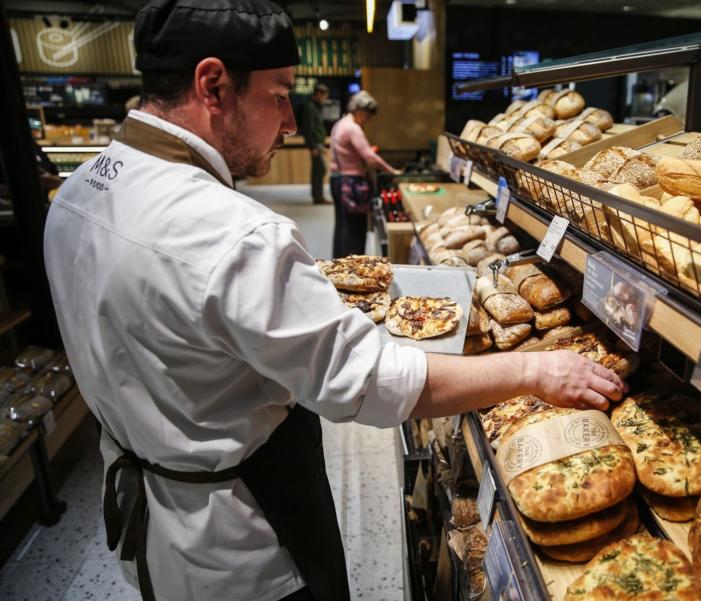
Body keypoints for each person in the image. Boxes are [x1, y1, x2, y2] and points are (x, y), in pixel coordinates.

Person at [42, 2, 625, 601]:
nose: (292, 122)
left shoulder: (76, 194)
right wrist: (534, 368)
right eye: (278, 95)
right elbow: (368, 383)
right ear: (213, 85)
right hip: (244, 542)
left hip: (149, 522)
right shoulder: (236, 234)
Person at [329, 90, 397, 258]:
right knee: (354, 228)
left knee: (342, 226)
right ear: (359, 110)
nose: (368, 120)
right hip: (350, 183)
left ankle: (339, 264)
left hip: (337, 180)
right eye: (367, 116)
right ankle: (352, 267)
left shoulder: (340, 124)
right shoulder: (353, 128)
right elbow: (369, 157)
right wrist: (393, 171)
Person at [301, 83, 329, 204]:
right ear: (318, 94)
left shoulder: (315, 107)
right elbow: (309, 128)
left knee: (318, 169)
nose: (325, 99)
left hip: (318, 143)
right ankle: (318, 197)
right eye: (324, 96)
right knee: (320, 169)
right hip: (315, 144)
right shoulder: (309, 107)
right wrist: (313, 146)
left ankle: (317, 196)